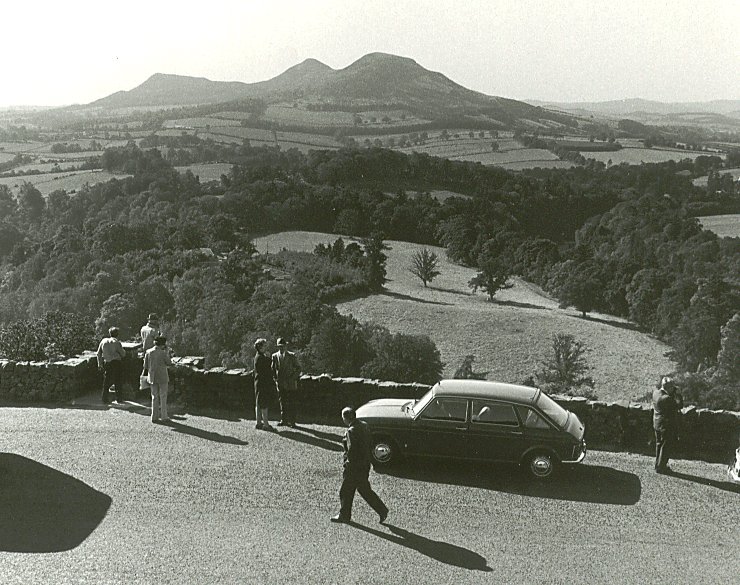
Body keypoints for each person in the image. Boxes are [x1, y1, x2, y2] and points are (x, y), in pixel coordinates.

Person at [331, 407, 388, 524]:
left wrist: (347, 463)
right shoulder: (364, 425)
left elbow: (351, 449)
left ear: (346, 418)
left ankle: (344, 515)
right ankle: (381, 510)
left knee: (345, 491)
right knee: (364, 489)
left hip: (353, 466)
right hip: (364, 463)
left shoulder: (351, 431)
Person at [652, 375, 683, 474]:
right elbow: (679, 405)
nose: (674, 388)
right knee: (665, 447)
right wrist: (679, 395)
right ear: (668, 388)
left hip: (657, 423)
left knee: (659, 444)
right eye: (672, 387)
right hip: (666, 425)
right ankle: (662, 467)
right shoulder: (667, 399)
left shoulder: (655, 393)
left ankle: (657, 465)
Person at [271, 337, 301, 427]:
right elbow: (273, 369)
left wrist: (293, 378)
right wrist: (275, 378)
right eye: (280, 346)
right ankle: (283, 420)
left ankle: (292, 421)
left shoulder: (292, 356)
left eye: (283, 346)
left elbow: (298, 368)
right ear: (277, 347)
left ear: (286, 346)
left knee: (292, 402)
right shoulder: (275, 356)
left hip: (291, 383)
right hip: (280, 383)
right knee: (282, 402)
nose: (281, 348)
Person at [143, 335, 172, 423]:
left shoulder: (148, 352)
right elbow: (169, 363)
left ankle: (154, 416)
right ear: (163, 344)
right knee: (163, 396)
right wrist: (167, 352)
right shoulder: (163, 353)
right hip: (162, 376)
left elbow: (145, 366)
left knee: (154, 397)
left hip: (152, 376)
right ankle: (164, 416)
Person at [97, 327, 126, 404]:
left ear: (110, 333)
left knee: (106, 381)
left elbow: (98, 353)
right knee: (118, 381)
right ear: (117, 334)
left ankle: (104, 398)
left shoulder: (103, 341)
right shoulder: (116, 342)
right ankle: (119, 398)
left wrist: (100, 364)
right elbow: (123, 354)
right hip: (116, 362)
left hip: (107, 362)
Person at [253, 338, 276, 431]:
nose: (266, 347)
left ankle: (258, 422)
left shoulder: (257, 356)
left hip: (258, 382)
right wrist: (269, 358)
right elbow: (267, 368)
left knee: (259, 402)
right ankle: (266, 424)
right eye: (264, 346)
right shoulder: (262, 358)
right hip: (263, 383)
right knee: (264, 403)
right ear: (260, 347)